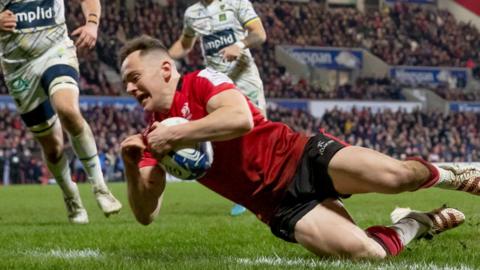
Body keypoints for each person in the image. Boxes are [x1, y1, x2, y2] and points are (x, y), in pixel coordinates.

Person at [119, 36, 476, 260]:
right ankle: (419, 222)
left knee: (396, 176)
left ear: (165, 68)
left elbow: (238, 119)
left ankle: (455, 175)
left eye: (135, 78)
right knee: (367, 254)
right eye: (125, 84)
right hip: (278, 206)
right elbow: (145, 214)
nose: (131, 89)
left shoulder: (201, 81)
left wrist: (179, 135)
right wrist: (132, 165)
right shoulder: (151, 139)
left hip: (301, 155)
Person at [0, 0, 122, 224]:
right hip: (18, 69)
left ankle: (100, 187)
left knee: (67, 110)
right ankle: (70, 195)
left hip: (55, 51)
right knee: (53, 148)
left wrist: (92, 24)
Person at [169, 0, 268, 216]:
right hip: (217, 84)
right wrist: (162, 58)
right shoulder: (192, 13)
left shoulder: (237, 3)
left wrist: (239, 45)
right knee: (226, 138)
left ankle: (271, 185)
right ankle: (245, 192)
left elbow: (259, 34)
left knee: (258, 134)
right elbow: (185, 45)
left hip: (245, 80)